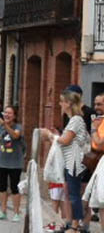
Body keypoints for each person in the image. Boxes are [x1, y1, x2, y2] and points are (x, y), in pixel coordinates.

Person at [45, 88, 90, 233]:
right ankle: (72, 223)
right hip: (71, 161)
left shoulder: (76, 120)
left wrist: (51, 136)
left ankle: (75, 226)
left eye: (62, 102)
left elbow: (65, 140)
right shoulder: (73, 119)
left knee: (74, 194)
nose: (60, 104)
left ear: (69, 103)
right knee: (70, 193)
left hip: (75, 162)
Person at [0, 104, 24, 222]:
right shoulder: (0, 128)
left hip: (15, 163)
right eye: (5, 113)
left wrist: (5, 125)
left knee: (14, 187)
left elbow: (15, 136)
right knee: (2, 187)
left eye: (10, 113)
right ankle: (3, 211)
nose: (7, 115)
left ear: (14, 116)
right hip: (1, 162)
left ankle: (16, 212)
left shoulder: (18, 127)